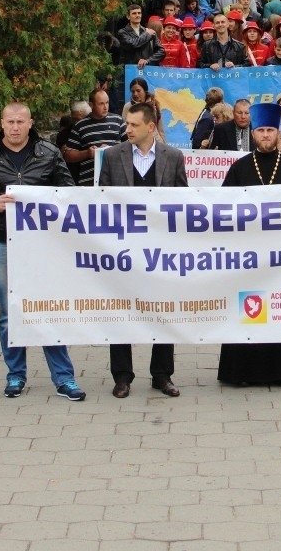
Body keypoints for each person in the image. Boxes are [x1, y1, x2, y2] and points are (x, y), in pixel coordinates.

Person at [0, 102, 86, 401]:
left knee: (48, 308)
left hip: (43, 245)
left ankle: (64, 377)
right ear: (2, 123)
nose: (15, 127)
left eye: (20, 121)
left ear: (30, 123)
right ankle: (15, 375)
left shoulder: (49, 153)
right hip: (4, 243)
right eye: (10, 122)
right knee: (9, 312)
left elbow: (68, 193)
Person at [217, 102, 281, 386]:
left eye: (271, 130)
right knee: (249, 311)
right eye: (261, 130)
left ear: (278, 133)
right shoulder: (239, 168)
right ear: (253, 133)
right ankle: (242, 372)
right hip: (249, 257)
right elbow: (224, 210)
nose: (266, 135)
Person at [99, 103, 187, 398]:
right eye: (127, 124)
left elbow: (183, 203)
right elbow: (101, 201)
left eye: (134, 125)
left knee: (162, 310)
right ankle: (122, 376)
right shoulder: (113, 156)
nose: (128, 129)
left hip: (162, 250)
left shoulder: (173, 157)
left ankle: (162, 374)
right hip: (123, 249)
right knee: (121, 309)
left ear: (150, 127)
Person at [63, 89, 126, 186]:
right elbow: (68, 155)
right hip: (90, 182)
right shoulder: (80, 126)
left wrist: (112, 150)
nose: (105, 107)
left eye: (107, 102)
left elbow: (131, 147)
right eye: (101, 104)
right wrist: (87, 153)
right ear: (91, 105)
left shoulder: (118, 120)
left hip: (116, 179)